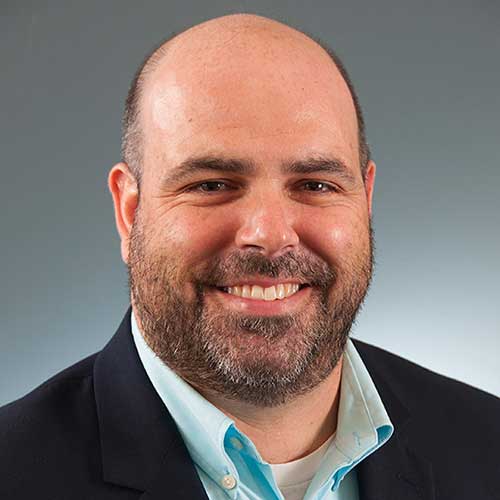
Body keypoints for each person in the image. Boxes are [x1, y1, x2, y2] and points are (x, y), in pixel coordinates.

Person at [1, 13, 498, 500]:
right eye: (212, 184)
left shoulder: (486, 446)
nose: (270, 234)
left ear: (365, 201)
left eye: (316, 184)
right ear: (130, 211)